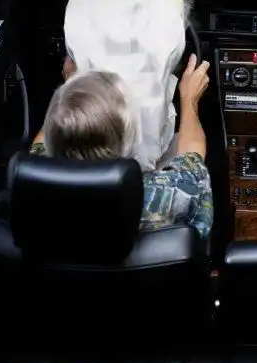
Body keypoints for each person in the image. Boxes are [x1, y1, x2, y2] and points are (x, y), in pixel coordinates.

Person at [30, 53, 213, 239]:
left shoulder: (31, 187)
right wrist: (189, 99)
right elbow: (193, 154)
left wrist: (73, 91)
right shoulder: (169, 194)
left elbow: (52, 129)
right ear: (130, 142)